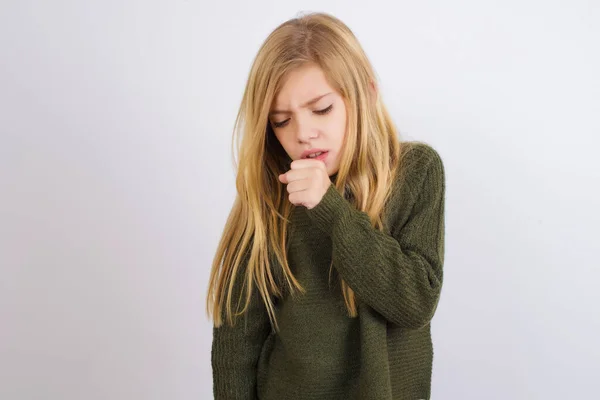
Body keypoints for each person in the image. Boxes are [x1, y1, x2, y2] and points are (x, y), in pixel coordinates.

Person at [206, 11, 446, 400]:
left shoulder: (416, 172)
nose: (303, 134)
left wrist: (330, 210)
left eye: (321, 109)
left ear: (365, 93)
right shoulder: (270, 196)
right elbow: (237, 339)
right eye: (282, 121)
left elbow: (415, 302)